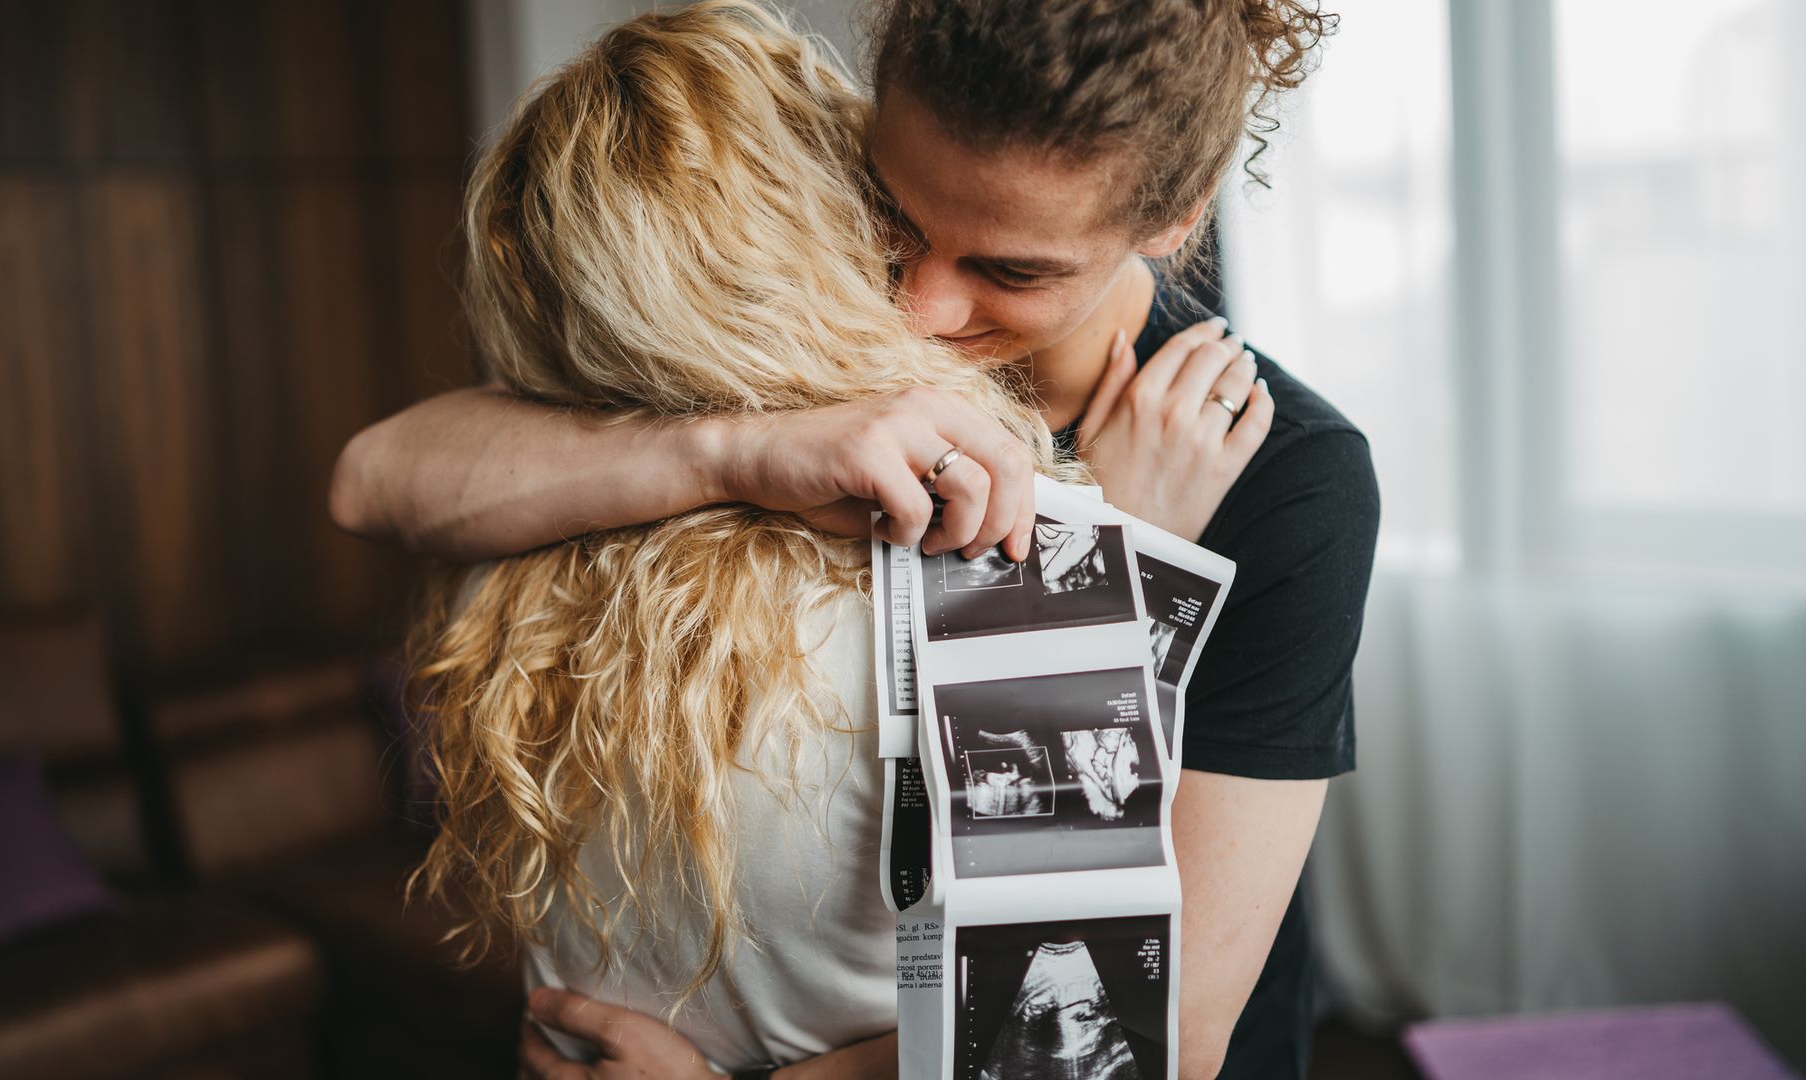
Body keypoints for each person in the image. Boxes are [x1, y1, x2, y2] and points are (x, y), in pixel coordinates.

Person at [346, 1, 1375, 1077]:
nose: (921, 306)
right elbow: (375, 477)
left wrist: (1096, 553)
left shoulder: (1282, 477)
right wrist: (735, 451)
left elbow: (1160, 1027)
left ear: (1174, 215)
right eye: (892, 210)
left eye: (1012, 270)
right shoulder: (793, 354)